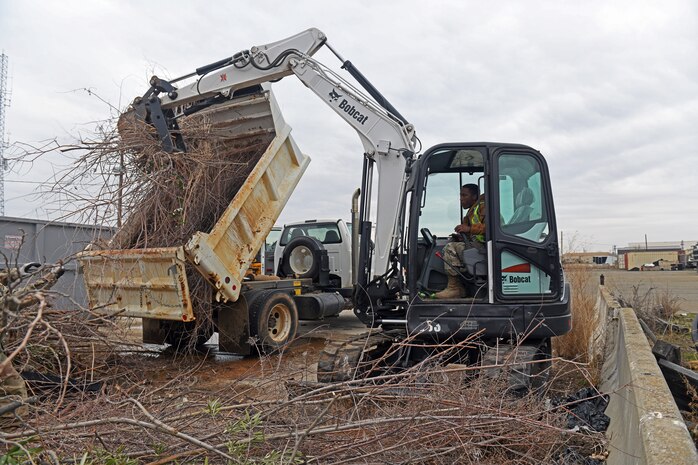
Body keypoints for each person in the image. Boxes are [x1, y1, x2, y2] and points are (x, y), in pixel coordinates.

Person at [434, 184, 486, 299]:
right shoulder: (472, 211)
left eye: (464, 195)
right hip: (476, 245)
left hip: (485, 248)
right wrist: (463, 237)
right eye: (460, 195)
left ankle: (455, 288)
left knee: (450, 248)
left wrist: (469, 229)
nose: (461, 198)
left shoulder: (484, 207)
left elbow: (492, 227)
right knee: (454, 242)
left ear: (474, 196)